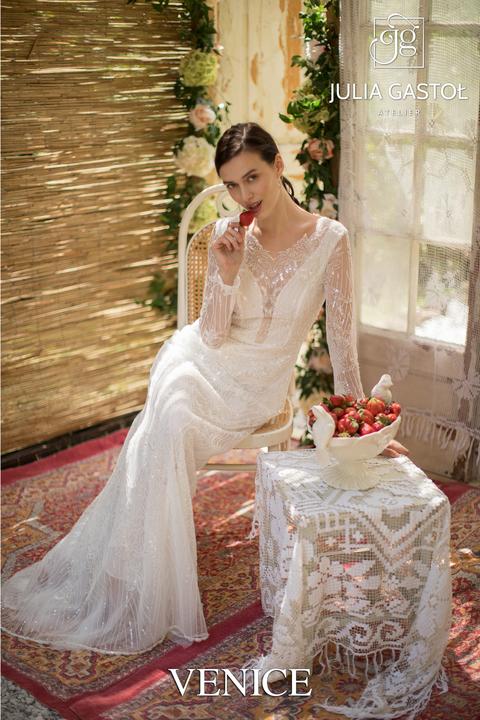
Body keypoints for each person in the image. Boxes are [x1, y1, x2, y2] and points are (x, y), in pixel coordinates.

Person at [0, 122, 409, 655]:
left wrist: (361, 426)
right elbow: (212, 334)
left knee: (165, 421)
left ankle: (132, 568)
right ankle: (136, 576)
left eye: (252, 177)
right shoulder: (227, 236)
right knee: (169, 413)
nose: (244, 195)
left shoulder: (331, 239)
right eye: (233, 185)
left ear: (278, 165)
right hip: (202, 359)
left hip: (258, 384)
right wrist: (228, 270)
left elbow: (341, 339)